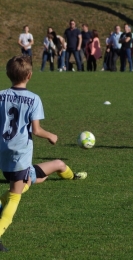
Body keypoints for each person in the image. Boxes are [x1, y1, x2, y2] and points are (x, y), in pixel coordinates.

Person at [0, 55, 87, 252]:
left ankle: (71, 176)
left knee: (27, 183)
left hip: (4, 152)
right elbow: (35, 130)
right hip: (20, 154)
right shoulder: (33, 99)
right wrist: (51, 136)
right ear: (29, 75)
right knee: (15, 196)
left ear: (7, 74)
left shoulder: (0, 95)